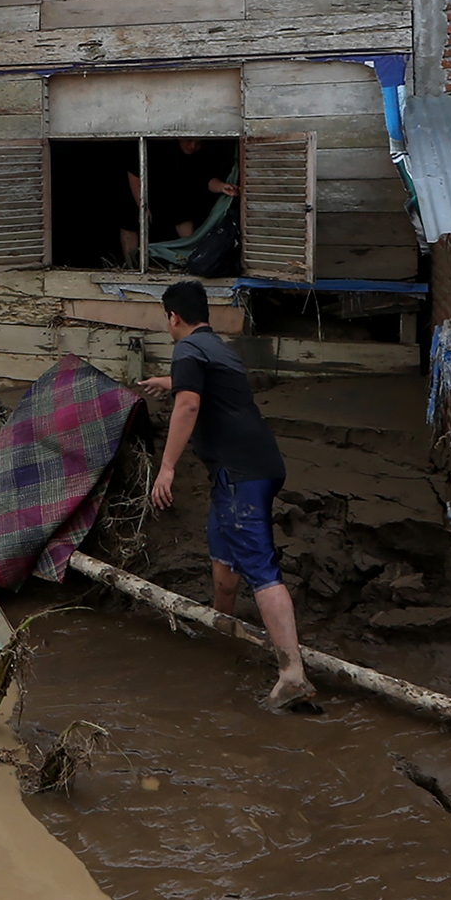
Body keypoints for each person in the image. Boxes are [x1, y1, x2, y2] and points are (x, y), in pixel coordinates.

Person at [138, 279, 314, 710]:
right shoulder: (218, 348)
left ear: (173, 317)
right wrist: (170, 381)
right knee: (224, 557)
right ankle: (223, 635)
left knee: (260, 566)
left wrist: (167, 467)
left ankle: (292, 674)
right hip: (253, 466)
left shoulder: (187, 348)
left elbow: (190, 405)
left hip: (241, 473)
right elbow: (206, 387)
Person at [118, 138, 238, 264]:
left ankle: (191, 259)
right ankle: (131, 266)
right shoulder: (157, 146)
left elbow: (206, 179)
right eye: (189, 141)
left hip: (176, 193)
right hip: (143, 188)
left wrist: (222, 187)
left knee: (183, 217)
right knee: (130, 221)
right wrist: (142, 204)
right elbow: (134, 173)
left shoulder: (201, 154)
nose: (193, 146)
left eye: (198, 142)